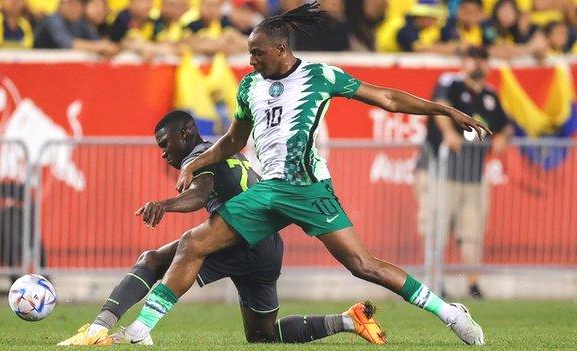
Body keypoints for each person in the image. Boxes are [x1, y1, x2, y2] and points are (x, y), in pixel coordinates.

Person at [113, 2, 490, 346]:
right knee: (193, 243)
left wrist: (444, 110)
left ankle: (451, 313)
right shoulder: (249, 88)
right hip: (269, 191)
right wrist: (194, 163)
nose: (251, 61)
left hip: (309, 190)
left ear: (281, 49)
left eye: (257, 53)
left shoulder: (320, 76)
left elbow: (387, 98)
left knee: (364, 265)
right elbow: (232, 141)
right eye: (249, 53)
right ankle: (141, 328)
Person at [58, 110, 387, 346]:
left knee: (154, 260)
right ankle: (348, 320)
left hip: (238, 237)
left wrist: (165, 204)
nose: (163, 153)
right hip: (266, 245)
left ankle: (104, 329)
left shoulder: (198, 156)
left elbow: (199, 194)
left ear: (185, 134)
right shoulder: (221, 150)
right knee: (263, 335)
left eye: (164, 143)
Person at [415, 46, 512, 299]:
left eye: (482, 59)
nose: (477, 64)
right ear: (463, 62)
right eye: (472, 59)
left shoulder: (491, 94)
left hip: (472, 175)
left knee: (472, 231)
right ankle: (435, 280)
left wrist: (502, 137)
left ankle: (472, 283)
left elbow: (506, 125)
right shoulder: (451, 83)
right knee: (437, 227)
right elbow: (441, 107)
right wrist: (448, 132)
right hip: (441, 170)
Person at [33, 0, 119, 56]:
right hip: (38, 68)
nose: (74, 8)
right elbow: (67, 43)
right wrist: (101, 46)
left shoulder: (80, 23)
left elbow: (97, 41)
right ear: (61, 5)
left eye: (78, 4)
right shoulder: (52, 20)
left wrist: (107, 47)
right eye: (70, 3)